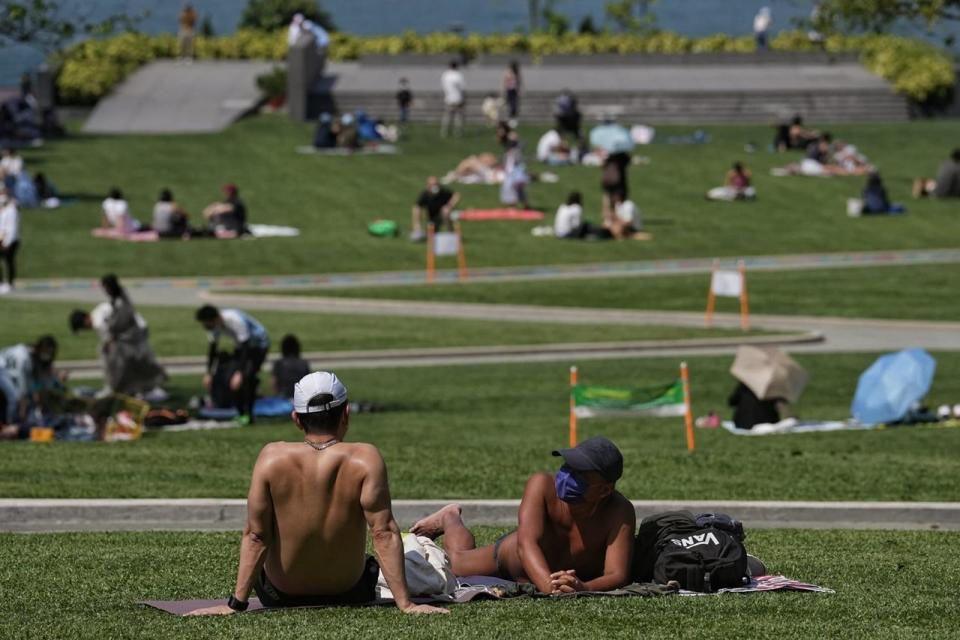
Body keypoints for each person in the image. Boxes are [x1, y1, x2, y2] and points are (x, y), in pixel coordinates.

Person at [188, 371, 448, 616]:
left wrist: (236, 604)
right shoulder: (365, 459)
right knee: (415, 550)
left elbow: (257, 536)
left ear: (296, 418)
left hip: (279, 594)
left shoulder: (271, 458)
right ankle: (447, 521)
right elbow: (383, 532)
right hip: (350, 591)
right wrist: (406, 604)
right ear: (346, 413)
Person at [410, 437, 635, 594]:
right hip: (514, 559)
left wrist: (584, 588)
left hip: (554, 572)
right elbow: (526, 544)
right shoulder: (541, 485)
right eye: (568, 466)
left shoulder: (620, 512)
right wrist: (549, 586)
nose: (567, 476)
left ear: (605, 490)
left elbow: (617, 574)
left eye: (580, 474)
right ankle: (450, 518)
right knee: (456, 562)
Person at [70, 274, 168, 398]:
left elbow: (109, 337)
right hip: (137, 329)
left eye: (83, 327)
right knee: (135, 361)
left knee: (121, 359)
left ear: (85, 320)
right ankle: (143, 387)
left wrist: (109, 347)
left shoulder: (97, 320)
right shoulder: (102, 308)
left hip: (133, 333)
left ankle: (126, 388)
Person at [196, 304, 270, 424]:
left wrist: (240, 373)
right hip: (242, 347)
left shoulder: (234, 319)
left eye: (206, 323)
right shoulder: (215, 327)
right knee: (229, 379)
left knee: (246, 378)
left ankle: (249, 415)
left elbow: (246, 347)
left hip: (258, 347)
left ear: (215, 319)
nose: (206, 327)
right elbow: (212, 350)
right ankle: (241, 413)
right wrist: (209, 373)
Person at [0, 335, 59, 426]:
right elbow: (20, 389)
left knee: (25, 396)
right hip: (2, 368)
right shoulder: (22, 357)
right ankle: (11, 425)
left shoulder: (30, 356)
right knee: (15, 398)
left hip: (7, 370)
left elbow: (34, 386)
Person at [411, 176, 460, 240]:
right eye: (432, 185)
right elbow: (417, 206)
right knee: (416, 210)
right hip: (433, 218)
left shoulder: (443, 192)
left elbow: (456, 195)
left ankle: (450, 233)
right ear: (428, 186)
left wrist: (449, 206)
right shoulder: (425, 194)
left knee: (446, 211)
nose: (435, 187)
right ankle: (417, 231)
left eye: (436, 184)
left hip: (445, 215)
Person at [272, 334, 311, 399]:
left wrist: (277, 397)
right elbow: (309, 383)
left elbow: (274, 383)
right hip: (301, 398)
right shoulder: (304, 363)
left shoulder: (279, 363)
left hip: (284, 398)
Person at [600, 151, 631, 226]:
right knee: (618, 199)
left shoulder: (608, 156)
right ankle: (618, 218)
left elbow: (602, 165)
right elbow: (627, 162)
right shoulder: (622, 155)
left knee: (608, 198)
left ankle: (607, 219)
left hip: (607, 179)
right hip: (618, 180)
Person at [0, 187, 19, 294]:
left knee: (9, 262)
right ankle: (2, 282)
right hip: (1, 238)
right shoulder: (3, 208)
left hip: (9, 240)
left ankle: (10, 283)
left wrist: (6, 242)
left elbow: (11, 228)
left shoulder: (12, 209)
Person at [440, 61, 465, 138]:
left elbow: (443, 86)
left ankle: (444, 132)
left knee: (447, 117)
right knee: (458, 118)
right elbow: (462, 88)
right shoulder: (459, 75)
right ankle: (457, 133)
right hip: (458, 98)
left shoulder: (445, 75)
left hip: (448, 98)